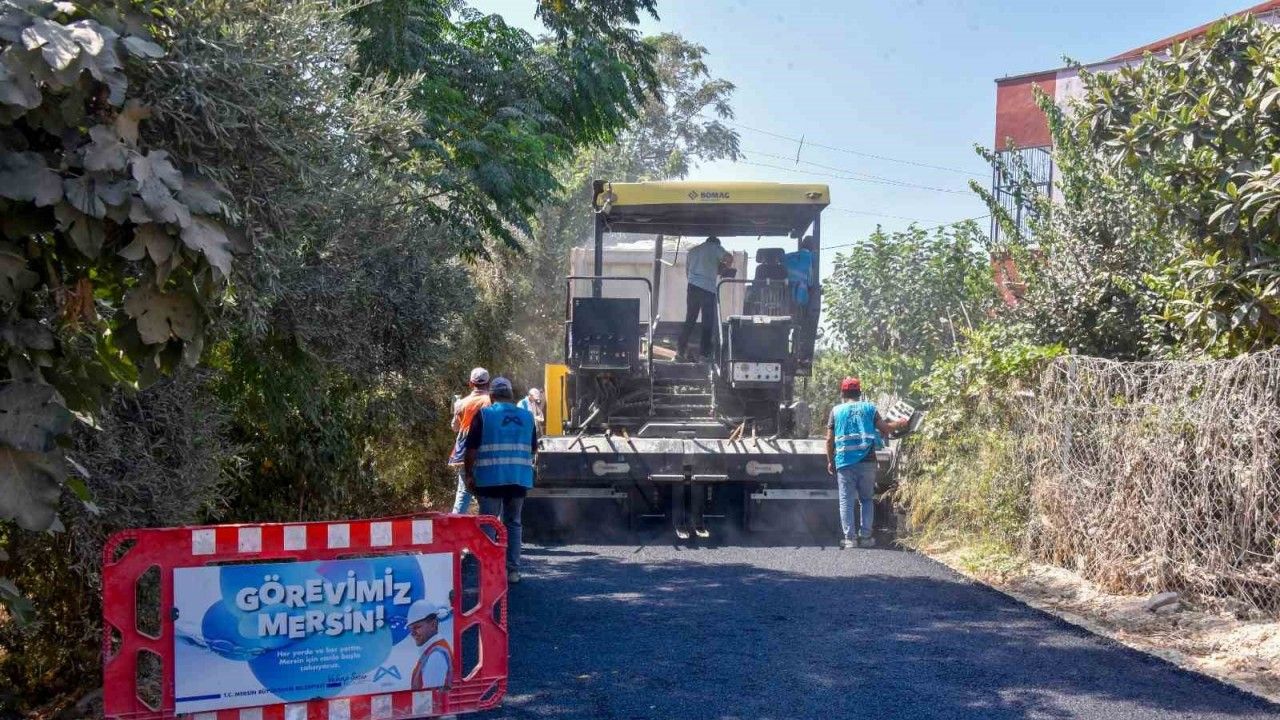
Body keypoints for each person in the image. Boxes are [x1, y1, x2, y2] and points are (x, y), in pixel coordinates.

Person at [463, 377, 537, 584]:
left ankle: (489, 570)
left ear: (492, 395)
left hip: (490, 479)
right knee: (513, 523)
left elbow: (471, 449)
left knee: (489, 523)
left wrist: (469, 474)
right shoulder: (527, 416)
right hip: (518, 478)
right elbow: (533, 448)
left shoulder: (484, 415)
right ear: (511, 395)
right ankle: (513, 571)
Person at [826, 377, 908, 549]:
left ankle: (850, 539)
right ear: (860, 393)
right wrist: (900, 423)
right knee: (866, 499)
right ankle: (865, 537)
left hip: (844, 462)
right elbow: (886, 429)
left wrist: (830, 461)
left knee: (846, 501)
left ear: (842, 393)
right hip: (867, 462)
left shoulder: (836, 411)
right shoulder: (869, 408)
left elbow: (829, 440)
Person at [677, 236, 733, 362]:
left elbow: (688, 272)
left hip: (692, 288)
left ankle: (680, 351)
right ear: (716, 244)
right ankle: (704, 354)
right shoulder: (715, 248)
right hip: (707, 289)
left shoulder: (693, 251)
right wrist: (726, 268)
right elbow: (729, 258)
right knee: (707, 322)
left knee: (690, 319)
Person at [448, 367, 491, 514]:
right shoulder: (491, 402)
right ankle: (488, 526)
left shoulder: (461, 403)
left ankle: (454, 525)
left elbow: (455, 427)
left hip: (464, 454)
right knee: (487, 497)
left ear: (471, 384)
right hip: (485, 453)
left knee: (463, 493)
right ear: (488, 383)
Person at [406, 600, 452, 690]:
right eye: (411, 629)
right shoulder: (431, 651)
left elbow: (431, 693)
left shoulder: (436, 655)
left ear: (433, 624)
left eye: (417, 627)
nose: (412, 633)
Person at [784, 236, 817, 308]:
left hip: (783, 293)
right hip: (800, 296)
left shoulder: (787, 257)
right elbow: (810, 282)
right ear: (813, 247)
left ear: (802, 245)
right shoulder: (811, 258)